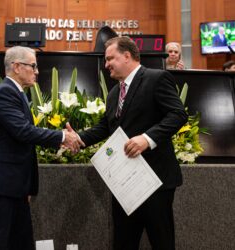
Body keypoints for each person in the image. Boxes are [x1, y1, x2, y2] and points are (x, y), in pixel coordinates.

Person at [70, 36, 187, 250]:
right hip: (124, 184)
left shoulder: (157, 78)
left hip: (155, 181)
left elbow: (178, 115)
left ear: (127, 56)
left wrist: (147, 139)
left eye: (110, 59)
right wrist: (79, 138)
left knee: (162, 243)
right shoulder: (115, 92)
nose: (106, 65)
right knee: (123, 242)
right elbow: (106, 126)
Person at [0, 46, 84, 250]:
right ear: (16, 67)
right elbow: (23, 131)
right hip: (0, 185)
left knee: (20, 243)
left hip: (12, 186)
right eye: (33, 66)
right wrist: (62, 136)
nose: (37, 71)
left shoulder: (16, 93)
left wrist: (25, 186)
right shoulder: (5, 92)